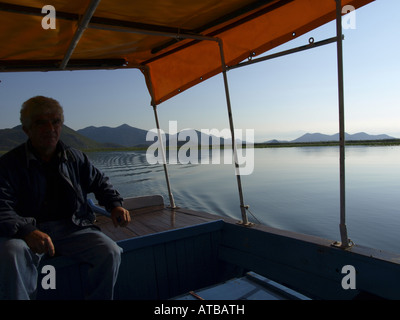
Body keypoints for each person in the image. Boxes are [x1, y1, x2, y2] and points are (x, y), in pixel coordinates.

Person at [0, 96, 131, 300]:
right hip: (27, 233)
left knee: (110, 252)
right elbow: (1, 206)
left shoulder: (74, 157)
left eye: (55, 121)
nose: (50, 128)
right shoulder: (9, 164)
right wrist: (27, 231)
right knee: (11, 253)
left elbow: (99, 182)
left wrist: (114, 205)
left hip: (73, 228)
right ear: (27, 129)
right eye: (40, 122)